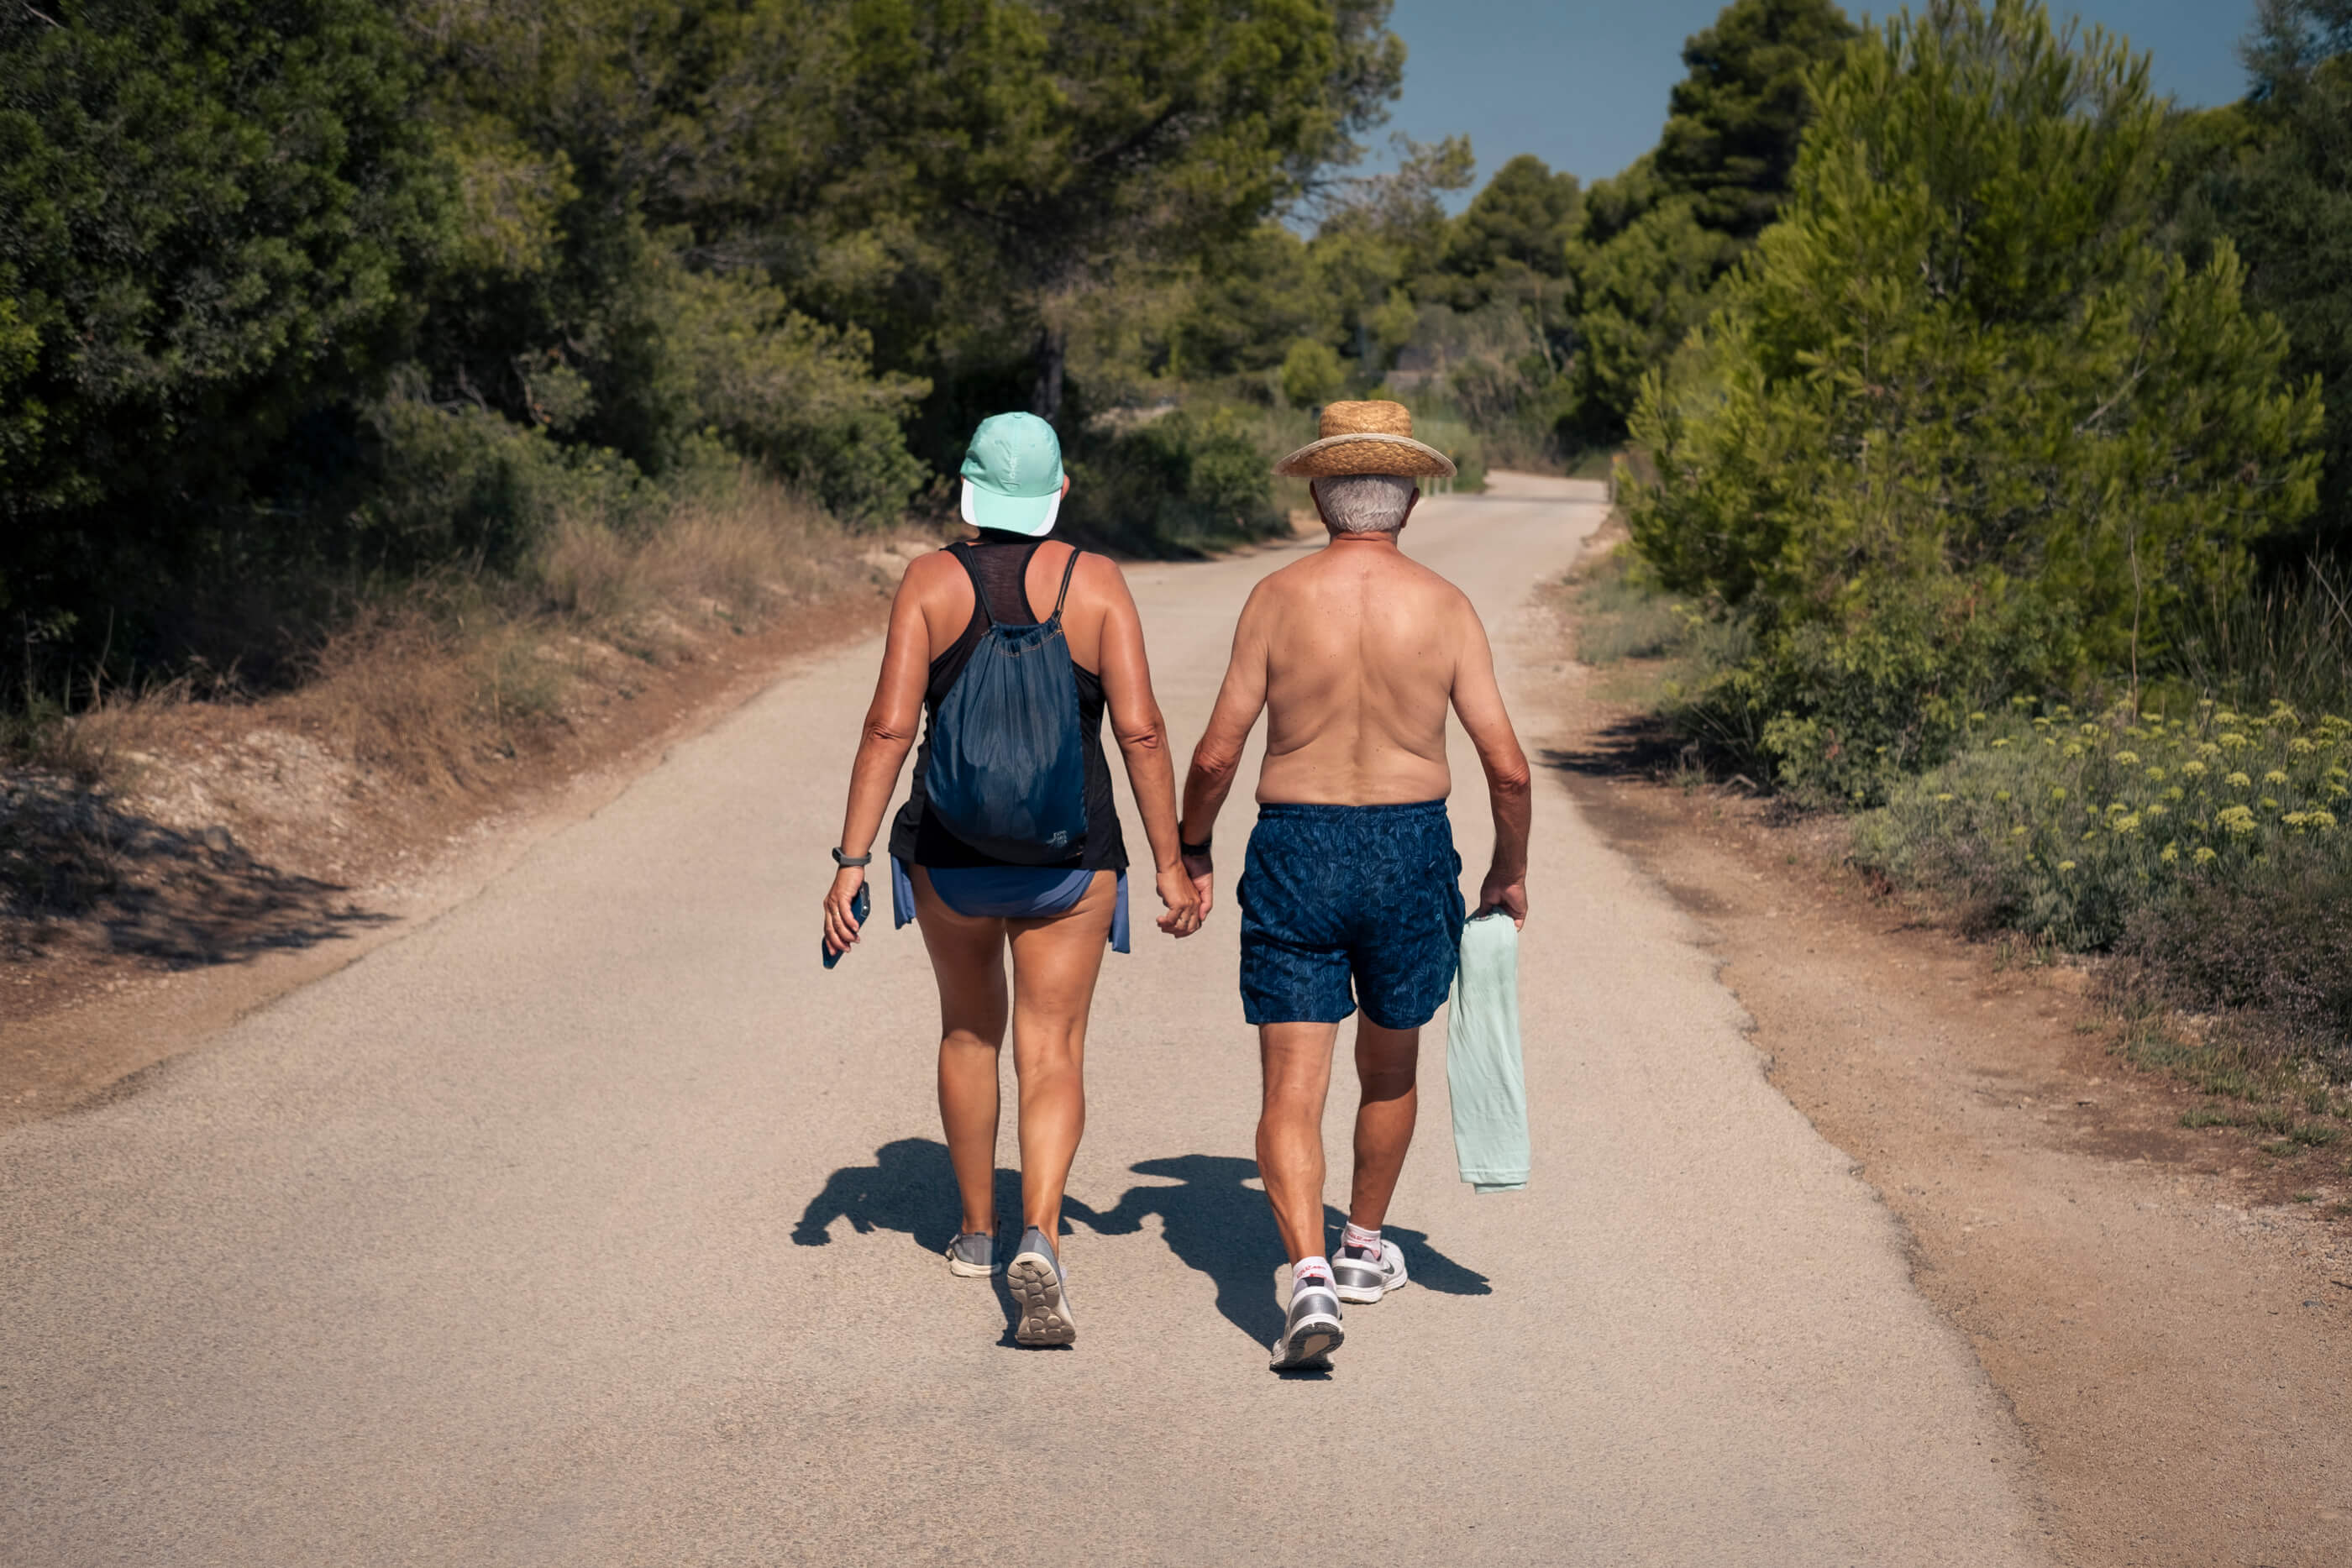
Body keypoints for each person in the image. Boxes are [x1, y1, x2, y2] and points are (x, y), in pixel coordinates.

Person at [823, 412, 1202, 1347]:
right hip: (1070, 862)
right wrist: (1171, 861)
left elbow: (888, 727)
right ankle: (1042, 1230)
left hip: (949, 857)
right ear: (1059, 491)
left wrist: (851, 860)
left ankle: (974, 1233)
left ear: (967, 490)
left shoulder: (929, 581)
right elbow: (1141, 730)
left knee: (967, 1029)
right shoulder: (1097, 582)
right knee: (1052, 1046)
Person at [1176, 401, 1531, 1371]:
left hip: (1297, 843)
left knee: (1292, 1086)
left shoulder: (1276, 598)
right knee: (1390, 1065)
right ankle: (1364, 1248)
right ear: (1408, 498)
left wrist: (1192, 845)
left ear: (1318, 498)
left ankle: (1307, 1274)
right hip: (1411, 847)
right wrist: (1507, 868)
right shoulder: (1445, 606)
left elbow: (1215, 754)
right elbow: (1507, 770)